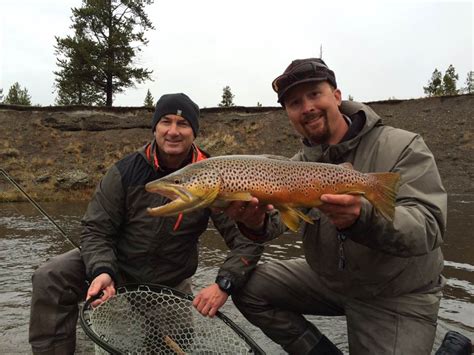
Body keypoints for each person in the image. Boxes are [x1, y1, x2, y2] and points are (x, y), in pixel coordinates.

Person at [226, 58, 447, 354]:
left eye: (314, 94)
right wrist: (254, 223)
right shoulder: (296, 167)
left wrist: (362, 217)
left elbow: (429, 227)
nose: (306, 108)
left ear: (337, 96)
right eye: (294, 103)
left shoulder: (402, 146)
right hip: (332, 280)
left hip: (396, 292)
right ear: (289, 114)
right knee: (249, 288)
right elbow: (276, 222)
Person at [29, 93, 264, 354]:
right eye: (166, 122)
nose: (173, 131)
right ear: (155, 127)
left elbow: (249, 236)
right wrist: (101, 270)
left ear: (194, 133)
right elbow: (96, 230)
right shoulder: (125, 171)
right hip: (117, 264)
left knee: (175, 343)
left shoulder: (215, 176)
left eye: (183, 124)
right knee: (51, 276)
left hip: (170, 280)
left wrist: (224, 283)